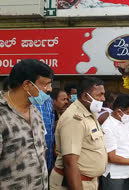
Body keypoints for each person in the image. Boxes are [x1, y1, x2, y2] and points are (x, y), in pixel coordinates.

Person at [0, 59, 53, 190]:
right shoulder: (2, 115)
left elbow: (42, 150)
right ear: (27, 85)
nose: (49, 89)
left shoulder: (35, 111)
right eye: (45, 84)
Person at [50, 77, 108, 190]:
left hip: (88, 182)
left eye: (103, 94)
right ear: (85, 96)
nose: (103, 99)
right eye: (99, 95)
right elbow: (70, 163)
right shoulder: (74, 119)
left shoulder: (89, 113)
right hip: (75, 183)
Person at [100, 94, 129, 190]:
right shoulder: (108, 127)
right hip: (115, 175)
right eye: (128, 112)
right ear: (118, 111)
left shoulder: (125, 120)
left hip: (128, 172)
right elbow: (111, 157)